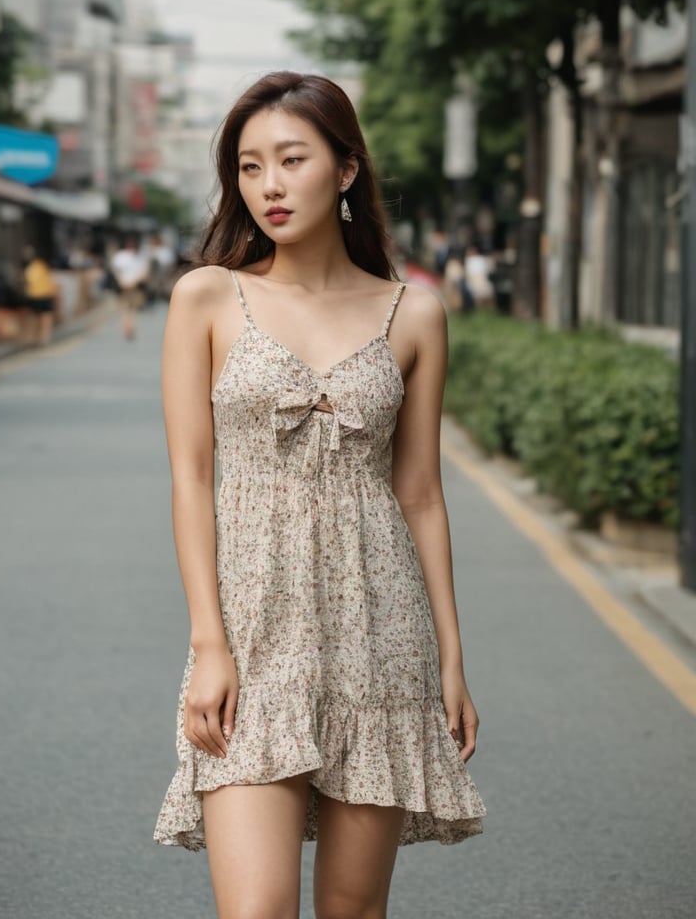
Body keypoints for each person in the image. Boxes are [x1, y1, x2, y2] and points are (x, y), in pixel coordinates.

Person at [154, 72, 485, 918]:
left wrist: (450, 657)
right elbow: (191, 478)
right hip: (254, 632)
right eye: (249, 165)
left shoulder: (415, 313)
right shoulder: (206, 296)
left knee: (351, 911)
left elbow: (420, 494)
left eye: (290, 159)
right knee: (257, 908)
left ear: (344, 170)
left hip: (382, 635)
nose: (267, 184)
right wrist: (209, 644)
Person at [109, 237, 149, 340]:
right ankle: (126, 327)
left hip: (135, 286)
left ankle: (131, 327)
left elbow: (144, 272)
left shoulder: (140, 257)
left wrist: (134, 282)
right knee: (125, 308)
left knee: (133, 308)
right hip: (123, 286)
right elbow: (115, 270)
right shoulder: (121, 256)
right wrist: (121, 281)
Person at [22, 247, 58, 346]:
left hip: (37, 296)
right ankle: (43, 337)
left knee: (37, 317)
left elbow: (28, 282)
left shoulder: (31, 268)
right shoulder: (42, 266)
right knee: (45, 316)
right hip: (44, 295)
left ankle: (36, 338)